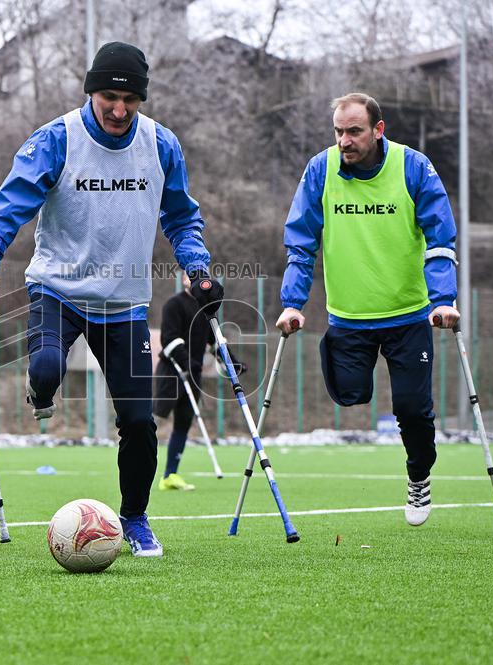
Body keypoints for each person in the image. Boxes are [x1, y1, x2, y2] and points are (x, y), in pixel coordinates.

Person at [0, 42, 222, 557]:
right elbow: (4, 211)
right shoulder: (56, 140)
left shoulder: (161, 145)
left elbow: (182, 218)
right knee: (47, 365)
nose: (119, 109)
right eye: (108, 98)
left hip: (124, 305)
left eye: (130, 100)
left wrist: (198, 270)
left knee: (139, 422)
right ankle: (41, 391)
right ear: (91, 92)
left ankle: (135, 518)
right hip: (58, 290)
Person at [276, 92, 459, 527]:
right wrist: (292, 303)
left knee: (413, 410)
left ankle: (419, 476)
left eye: (354, 131)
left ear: (378, 130)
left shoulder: (413, 167)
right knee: (350, 394)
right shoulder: (321, 169)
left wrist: (443, 300)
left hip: (408, 315)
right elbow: (301, 242)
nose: (344, 140)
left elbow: (440, 238)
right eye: (338, 131)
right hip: (349, 317)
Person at [153, 272, 246, 491]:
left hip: (193, 374)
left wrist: (232, 363)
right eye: (189, 274)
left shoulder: (207, 309)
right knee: (152, 418)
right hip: (172, 371)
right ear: (183, 279)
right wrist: (187, 362)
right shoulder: (174, 304)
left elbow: (215, 341)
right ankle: (137, 468)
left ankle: (170, 475)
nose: (192, 278)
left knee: (183, 422)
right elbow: (169, 339)